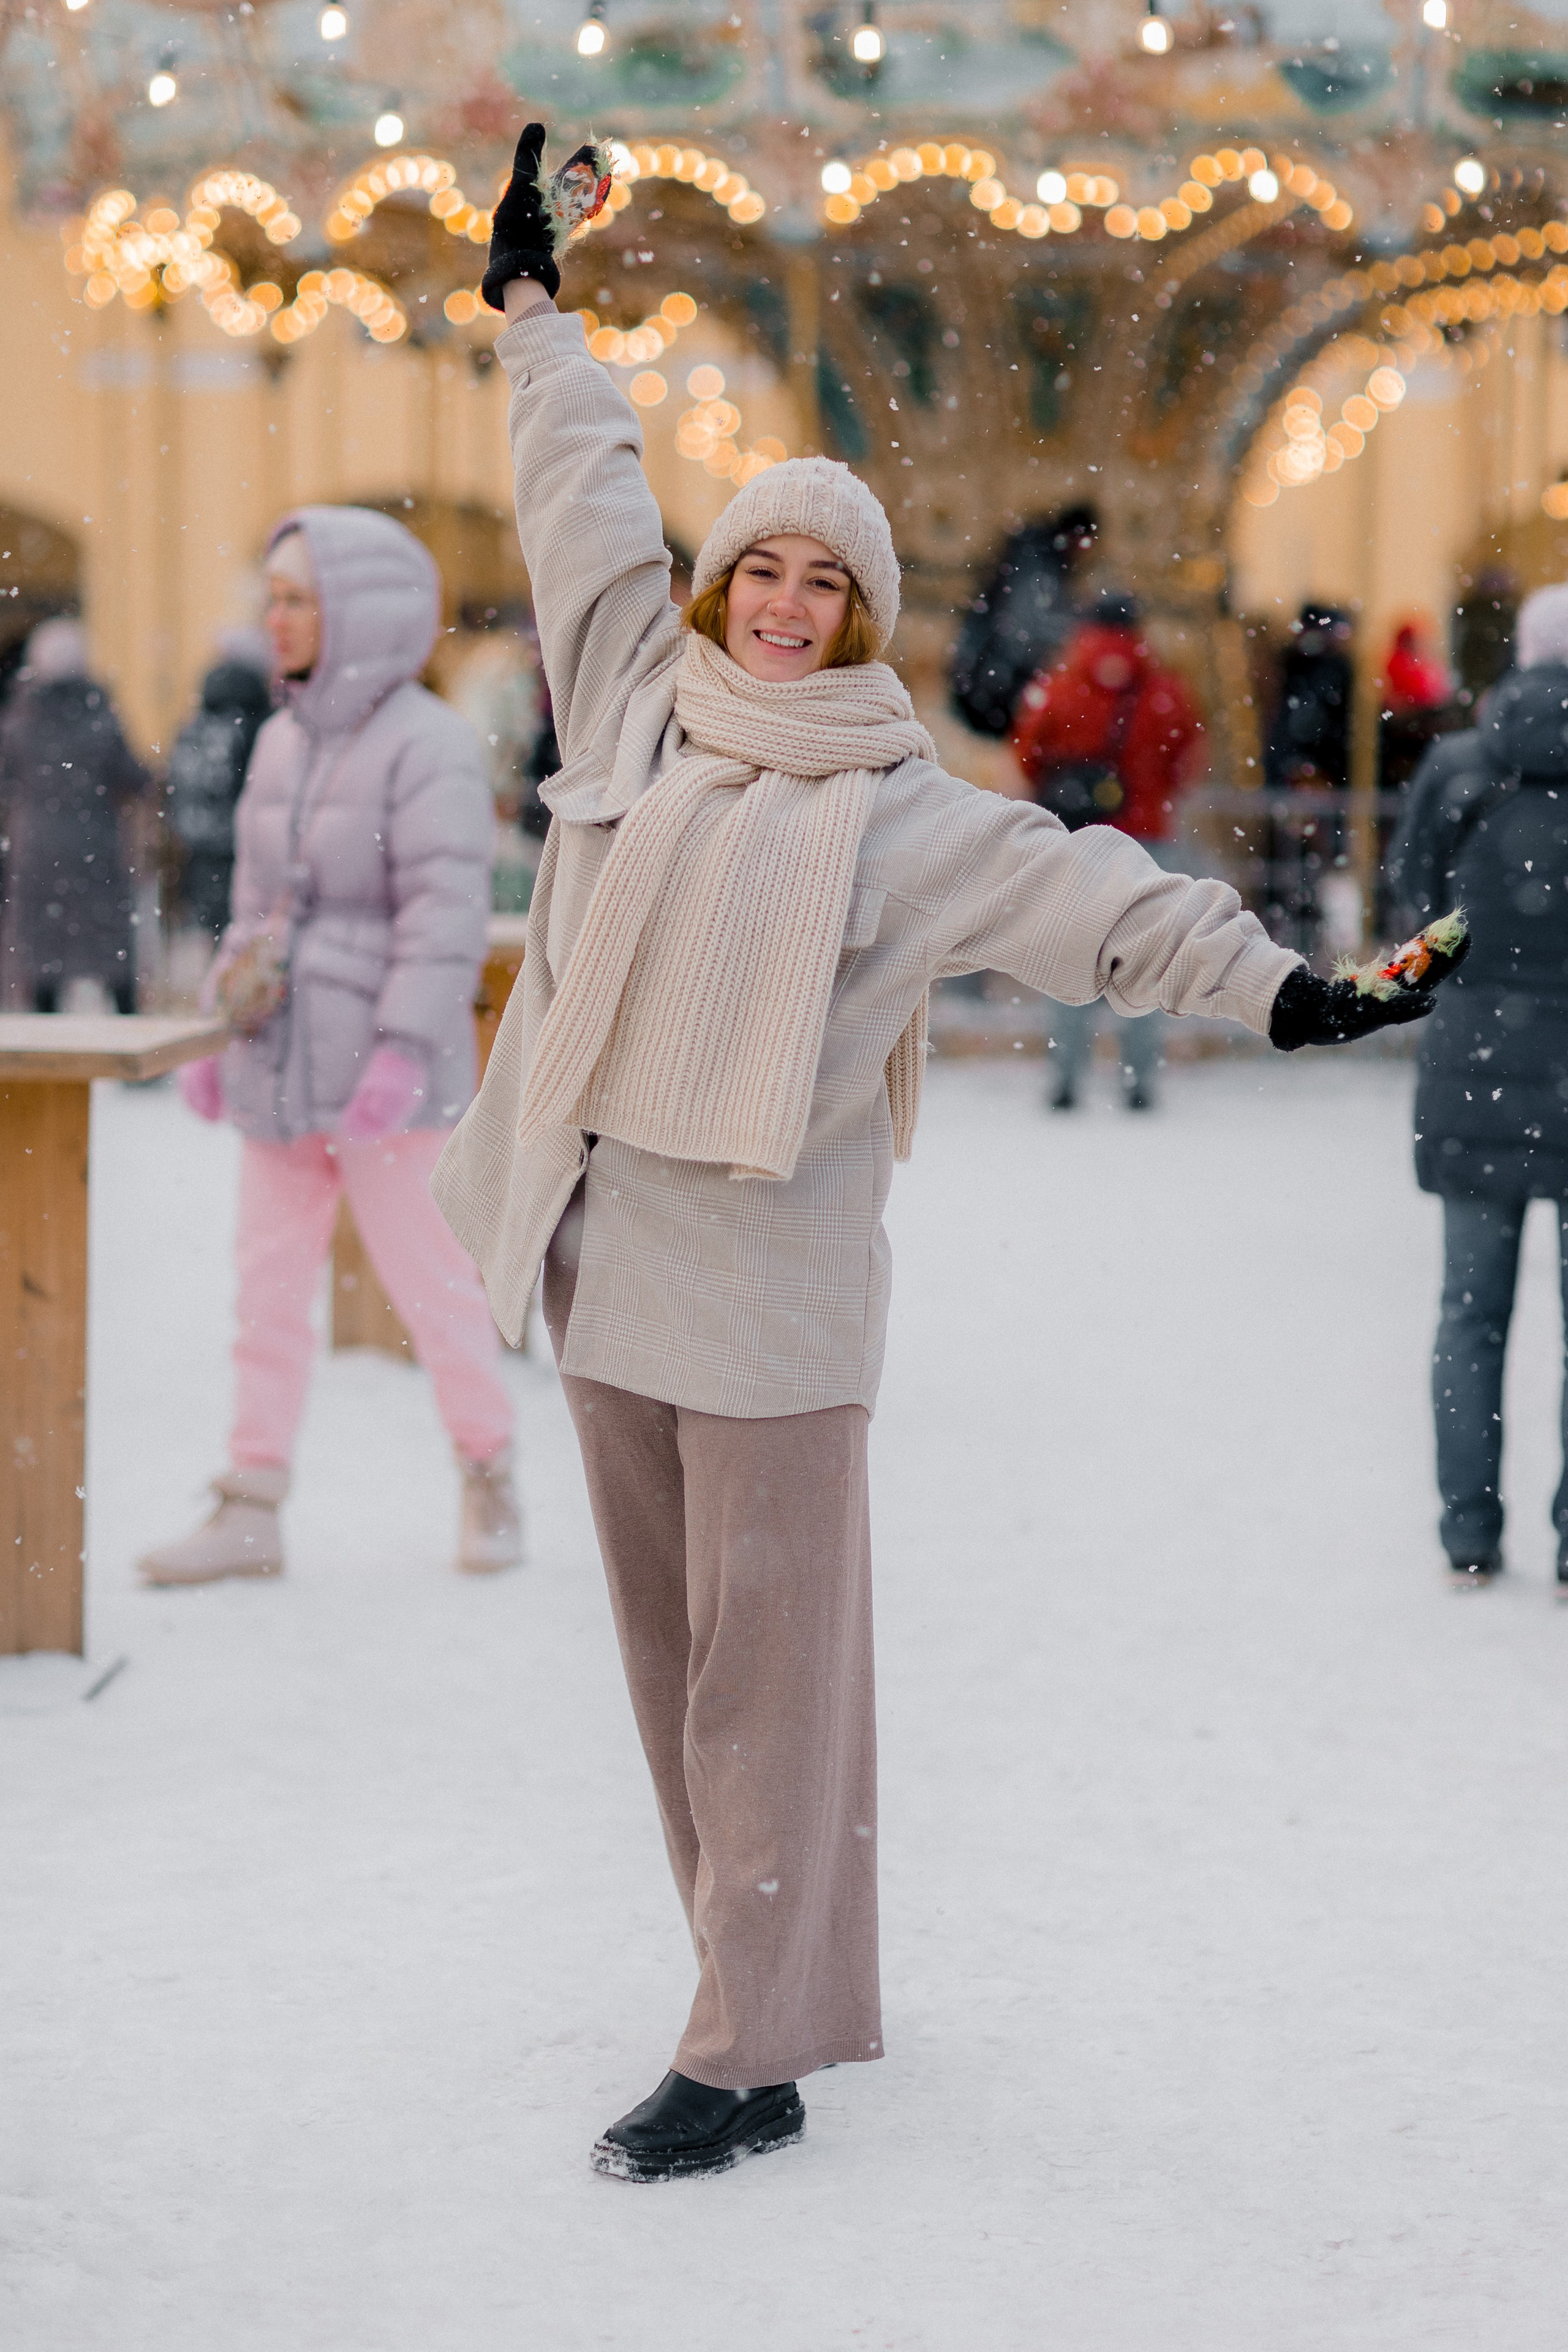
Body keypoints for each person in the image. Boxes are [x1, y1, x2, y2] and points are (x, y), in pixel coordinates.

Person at [433, 123, 1463, 2186]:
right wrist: (542, 320)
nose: (790, 604)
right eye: (767, 569)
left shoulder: (900, 806)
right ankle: (754, 1996)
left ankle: (750, 2043)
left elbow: (1093, 895)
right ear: (721, 589)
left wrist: (1285, 989)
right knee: (669, 1674)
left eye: (829, 579)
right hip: (606, 1263)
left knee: (772, 1695)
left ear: (871, 612)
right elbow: (578, 500)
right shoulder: (640, 703)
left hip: (776, 1284)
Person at [137, 508, 521, 1587]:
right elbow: (256, 905)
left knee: (434, 1288)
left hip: (388, 1082)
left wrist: (401, 1049)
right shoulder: (278, 737)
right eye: (273, 597)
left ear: (364, 612)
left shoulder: (431, 742)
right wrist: (220, 1026)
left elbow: (440, 916)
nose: (278, 618)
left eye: (300, 597)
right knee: (264, 1293)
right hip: (278, 1059)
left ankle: (489, 1469)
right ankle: (251, 1502)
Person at [1389, 582, 1568, 1588]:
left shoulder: (1462, 767)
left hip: (1477, 1070)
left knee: (1471, 1314)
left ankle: (1469, 1530)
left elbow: (1417, 902)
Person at [1010, 594, 1204, 1110]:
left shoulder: (1061, 683)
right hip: (1147, 840)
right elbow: (1185, 757)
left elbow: (1028, 751)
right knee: (1145, 961)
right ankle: (1139, 1082)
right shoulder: (1164, 688)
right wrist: (1146, 795)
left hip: (1077, 841)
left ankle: (1066, 1077)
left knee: (1069, 957)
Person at [0, 616, 148, 1012]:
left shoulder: (20, 720)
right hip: (93, 844)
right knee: (110, 947)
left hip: (37, 848)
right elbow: (133, 776)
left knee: (42, 954)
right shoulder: (100, 717)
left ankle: (46, 1046)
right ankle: (128, 1033)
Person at [948, 504, 1098, 737]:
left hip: (987, 679)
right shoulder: (1037, 561)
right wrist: (1084, 631)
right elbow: (1028, 625)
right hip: (993, 685)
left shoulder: (1034, 555)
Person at [165, 637, 273, 941]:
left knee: (218, 940)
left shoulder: (199, 718)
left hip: (199, 850)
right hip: (246, 849)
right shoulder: (260, 722)